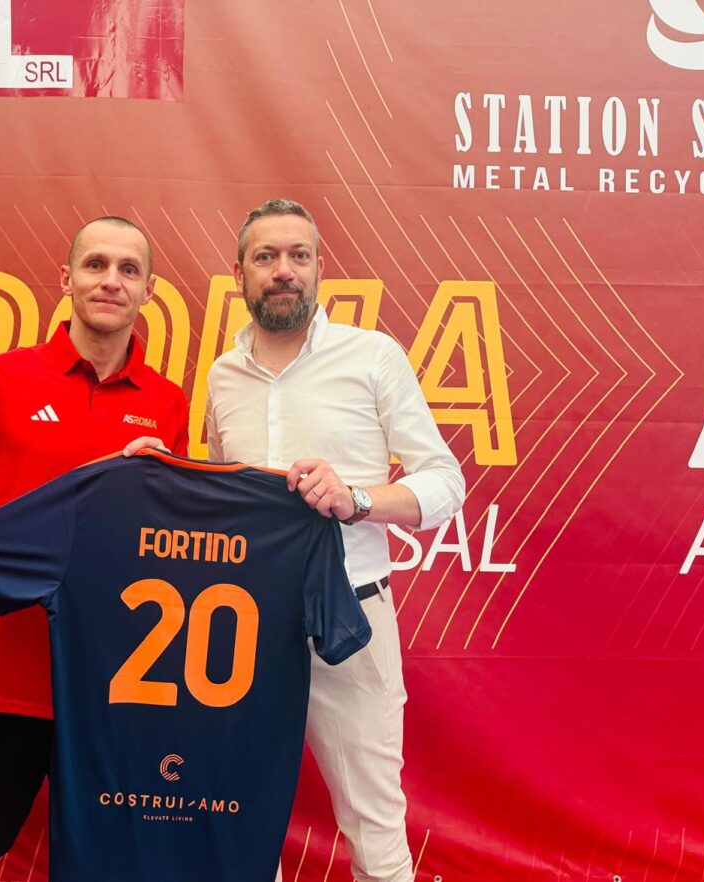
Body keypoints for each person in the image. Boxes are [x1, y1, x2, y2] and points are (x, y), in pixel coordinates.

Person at [0, 216, 190, 882]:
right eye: (95, 265)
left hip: (116, 687)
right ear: (66, 279)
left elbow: (171, 538)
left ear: (149, 290)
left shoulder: (168, 404)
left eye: (128, 270)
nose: (110, 281)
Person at [204, 199, 466, 882]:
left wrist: (355, 500)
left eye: (298, 255)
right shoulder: (222, 375)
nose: (283, 271)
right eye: (265, 257)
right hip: (240, 622)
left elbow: (445, 482)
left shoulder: (372, 356)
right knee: (233, 818)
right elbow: (215, 497)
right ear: (240, 272)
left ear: (320, 266)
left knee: (374, 828)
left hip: (349, 614)